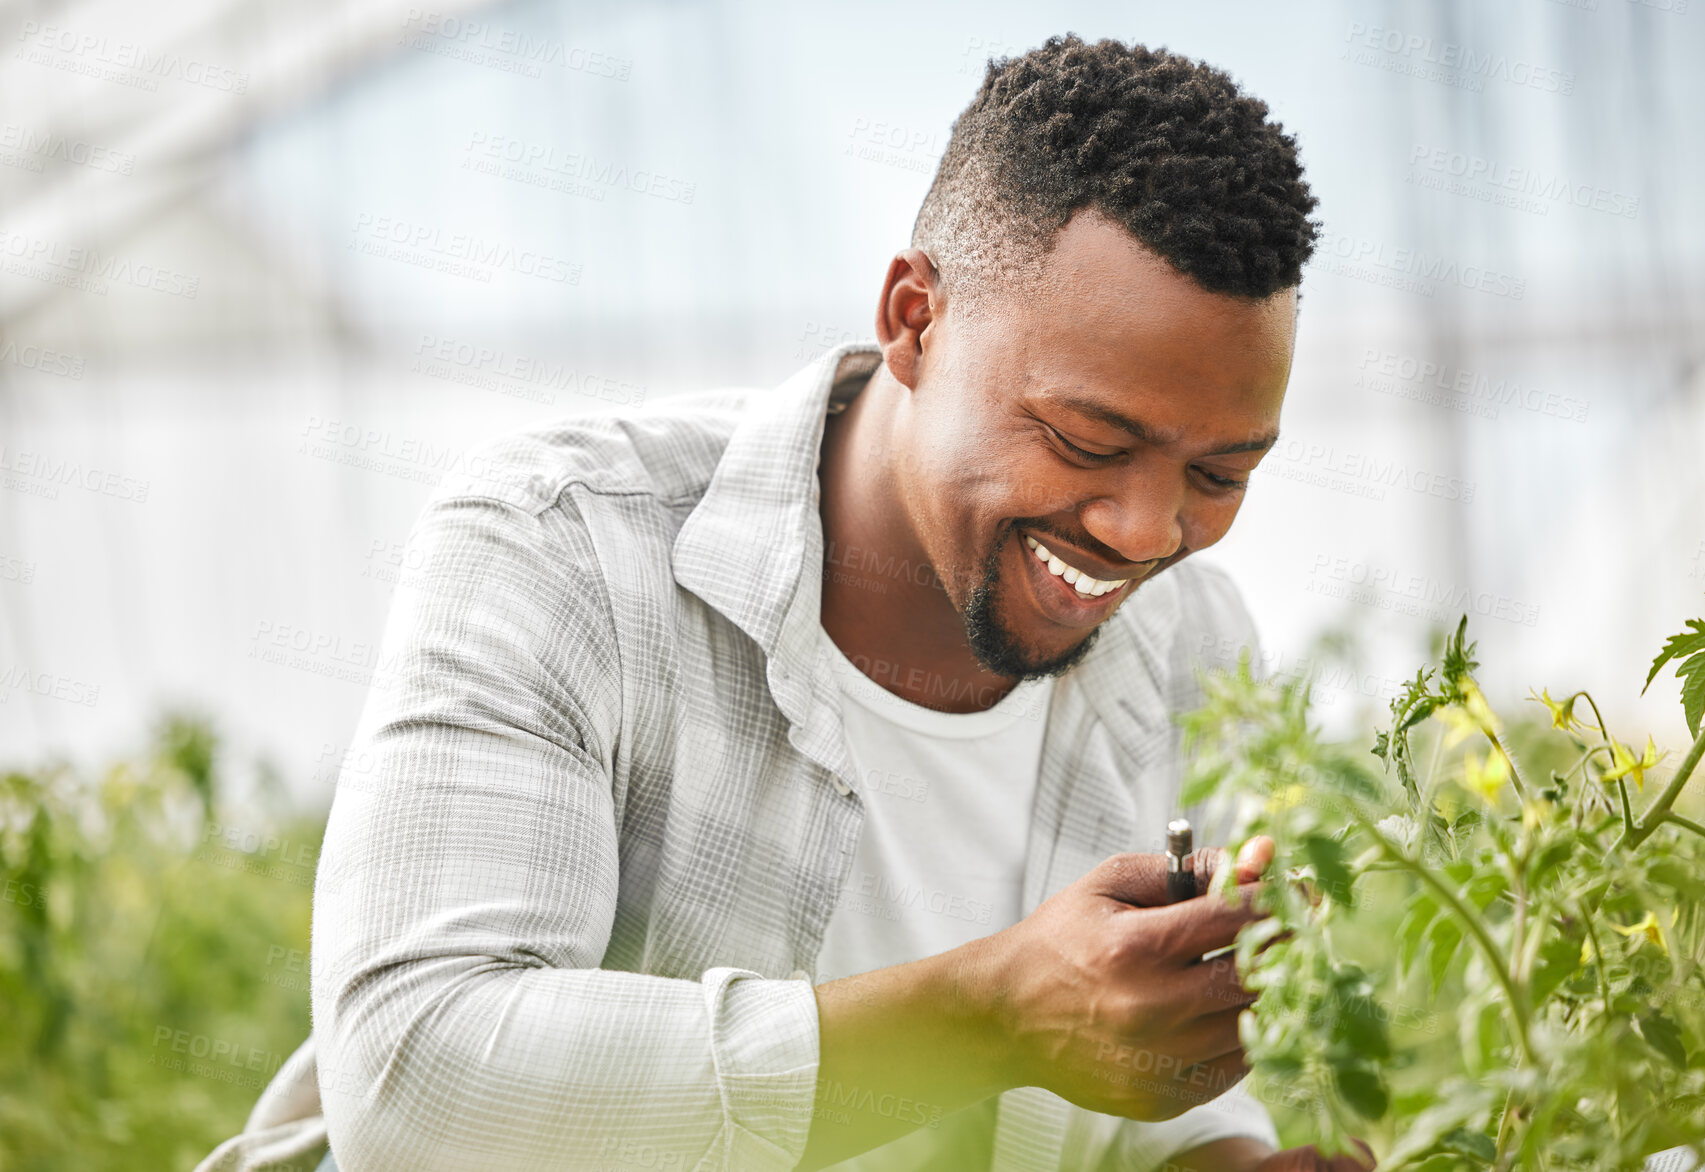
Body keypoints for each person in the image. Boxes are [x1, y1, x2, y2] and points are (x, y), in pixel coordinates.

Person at [198, 34, 1376, 1172]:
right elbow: (420, 1088)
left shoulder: (1192, 645)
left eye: (1219, 475)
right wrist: (989, 1018)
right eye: (1083, 439)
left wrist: (1215, 1148)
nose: (1143, 531)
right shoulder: (564, 545)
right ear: (914, 318)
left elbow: (1130, 1100)